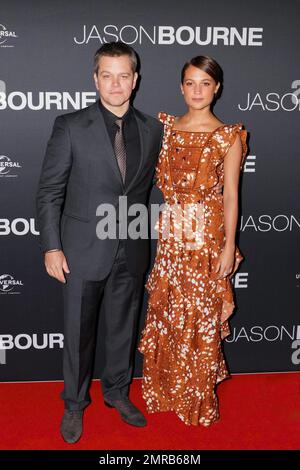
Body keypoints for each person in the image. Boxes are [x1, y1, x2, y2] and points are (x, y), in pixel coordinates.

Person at [36, 42, 163, 443]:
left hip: (133, 248)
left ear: (135, 80)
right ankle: (74, 404)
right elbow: (49, 192)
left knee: (123, 329)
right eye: (106, 75)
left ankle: (117, 393)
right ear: (95, 79)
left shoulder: (152, 128)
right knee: (77, 333)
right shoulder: (70, 126)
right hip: (81, 250)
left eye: (123, 75)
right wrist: (52, 247)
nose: (115, 83)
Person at [138, 55, 248, 426]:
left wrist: (229, 245)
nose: (197, 90)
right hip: (172, 231)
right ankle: (168, 390)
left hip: (207, 235)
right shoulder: (165, 128)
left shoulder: (228, 135)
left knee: (199, 315)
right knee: (169, 311)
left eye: (205, 83)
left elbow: (232, 194)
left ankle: (197, 400)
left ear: (217, 87)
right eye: (190, 82)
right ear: (181, 86)